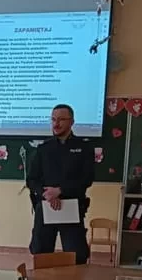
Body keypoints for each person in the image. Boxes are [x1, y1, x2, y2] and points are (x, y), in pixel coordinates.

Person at [26, 104, 95, 263]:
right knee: (41, 254)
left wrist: (60, 190)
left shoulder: (84, 148)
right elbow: (31, 180)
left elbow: (86, 179)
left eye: (61, 120)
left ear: (72, 122)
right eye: (53, 119)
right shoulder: (43, 148)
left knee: (76, 256)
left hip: (72, 207)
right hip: (46, 206)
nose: (56, 124)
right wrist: (48, 195)